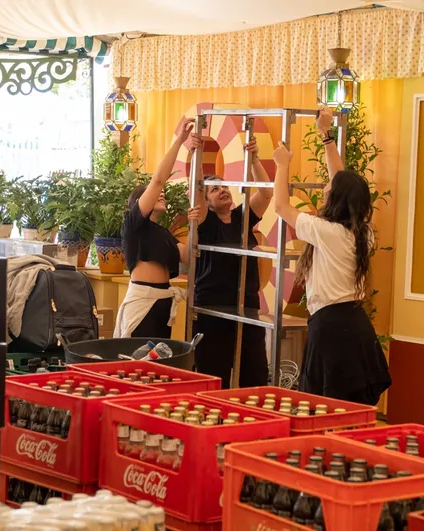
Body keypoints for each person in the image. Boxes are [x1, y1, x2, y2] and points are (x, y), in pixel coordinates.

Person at [270, 107, 391, 405]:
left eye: (328, 189)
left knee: (326, 408)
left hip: (331, 328)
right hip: (354, 323)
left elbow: (281, 208)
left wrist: (282, 165)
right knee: (351, 408)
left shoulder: (326, 231)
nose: (325, 187)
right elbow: (341, 178)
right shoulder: (363, 231)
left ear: (336, 198)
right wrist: (325, 135)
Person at [191, 134, 273, 388]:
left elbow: (266, 194)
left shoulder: (242, 218)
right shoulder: (207, 221)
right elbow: (195, 194)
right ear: (206, 201)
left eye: (225, 186)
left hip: (247, 306)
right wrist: (196, 152)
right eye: (215, 189)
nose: (223, 190)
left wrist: (255, 160)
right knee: (215, 377)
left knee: (255, 373)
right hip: (213, 309)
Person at [114, 117, 202, 338]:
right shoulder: (133, 224)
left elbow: (187, 255)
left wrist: (194, 225)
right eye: (153, 194)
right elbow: (158, 181)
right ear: (138, 203)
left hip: (163, 303)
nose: (161, 193)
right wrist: (179, 140)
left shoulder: (163, 233)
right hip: (143, 301)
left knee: (160, 361)